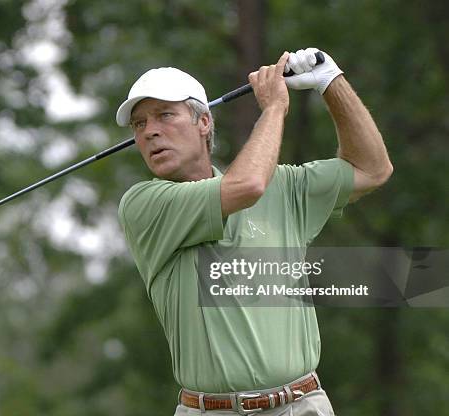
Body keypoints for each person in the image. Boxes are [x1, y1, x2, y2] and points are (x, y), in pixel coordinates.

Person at [116, 48, 393, 415]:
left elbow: (373, 168)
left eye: (165, 115)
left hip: (300, 406)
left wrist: (331, 82)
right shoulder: (145, 204)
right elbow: (247, 186)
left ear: (204, 122)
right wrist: (275, 108)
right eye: (139, 124)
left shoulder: (285, 187)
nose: (150, 131)